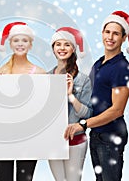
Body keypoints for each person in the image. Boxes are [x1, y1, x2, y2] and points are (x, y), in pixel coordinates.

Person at [64, 11, 129, 181]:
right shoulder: (99, 63)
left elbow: (117, 110)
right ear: (102, 34)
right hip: (96, 133)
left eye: (116, 33)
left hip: (111, 136)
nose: (110, 37)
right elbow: (90, 95)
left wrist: (84, 124)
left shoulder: (121, 68)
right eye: (107, 32)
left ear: (124, 38)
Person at [0, 22, 46, 181]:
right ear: (10, 44)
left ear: (30, 45)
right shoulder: (1, 72)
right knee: (3, 178)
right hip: (4, 135)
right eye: (16, 40)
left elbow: (43, 106)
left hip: (29, 136)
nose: (20, 44)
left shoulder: (40, 73)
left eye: (24, 40)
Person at [48, 27, 93, 181]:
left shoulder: (83, 80)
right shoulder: (46, 77)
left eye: (67, 44)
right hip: (53, 141)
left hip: (76, 141)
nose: (62, 48)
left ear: (73, 49)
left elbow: (87, 114)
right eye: (58, 44)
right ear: (53, 48)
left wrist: (70, 95)